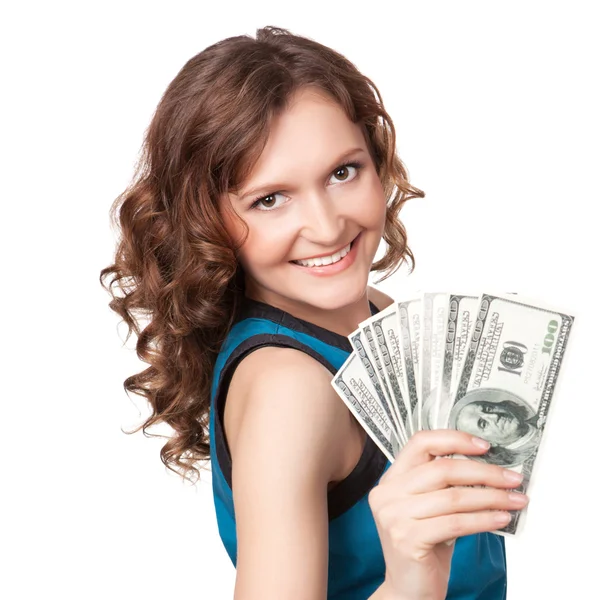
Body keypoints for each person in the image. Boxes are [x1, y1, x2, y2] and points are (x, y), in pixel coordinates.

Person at [100, 25, 529, 600]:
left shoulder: (369, 313)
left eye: (342, 172)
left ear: (377, 162)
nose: (328, 228)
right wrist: (410, 579)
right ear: (208, 223)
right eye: (270, 199)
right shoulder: (291, 388)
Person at [448, 389, 542, 468]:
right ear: (489, 443)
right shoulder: (523, 463)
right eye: (483, 424)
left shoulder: (544, 414)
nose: (494, 416)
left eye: (488, 409)